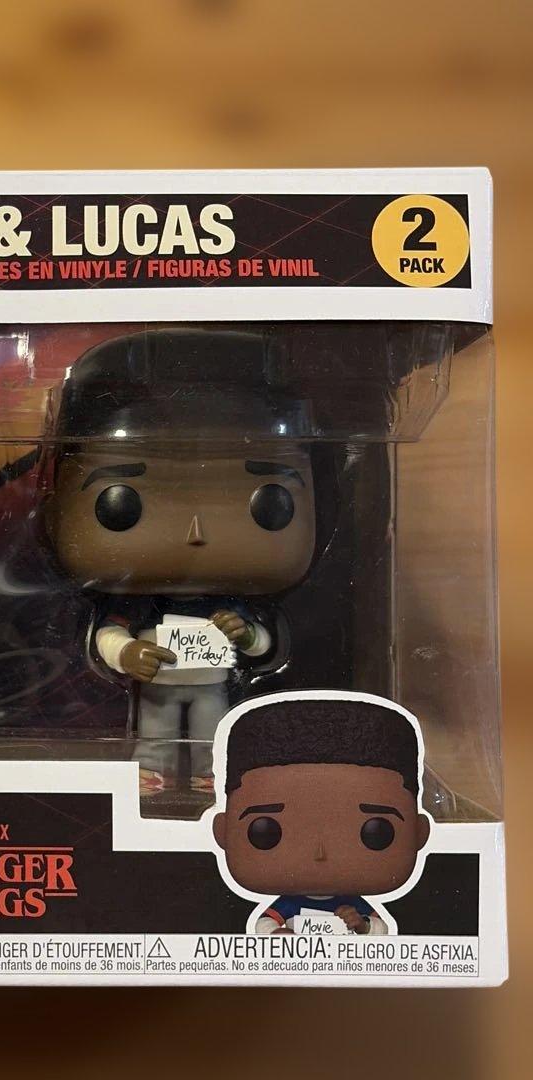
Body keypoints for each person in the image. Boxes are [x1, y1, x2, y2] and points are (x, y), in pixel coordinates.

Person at [44, 329, 318, 789]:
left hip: (212, 681)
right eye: (122, 505)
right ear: (56, 506)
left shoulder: (229, 601)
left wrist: (247, 633)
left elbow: (262, 645)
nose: (197, 532)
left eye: (270, 504)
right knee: (155, 731)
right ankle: (153, 771)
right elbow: (109, 632)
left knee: (214, 729)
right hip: (158, 680)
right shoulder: (139, 599)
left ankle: (211, 774)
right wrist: (126, 652)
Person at [211, 694, 431, 935]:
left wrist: (361, 923)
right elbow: (264, 923)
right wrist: (276, 935)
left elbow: (380, 929)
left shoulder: (353, 904)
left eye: (376, 832)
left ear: (418, 833)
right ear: (223, 832)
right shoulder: (288, 903)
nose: (320, 853)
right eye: (265, 832)